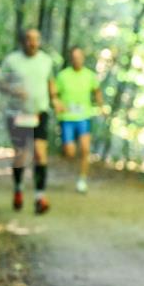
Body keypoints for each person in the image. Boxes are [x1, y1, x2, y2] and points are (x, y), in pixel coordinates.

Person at [0, 28, 57, 214]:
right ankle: (18, 189)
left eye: (36, 39)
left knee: (40, 153)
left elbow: (50, 83)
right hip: (16, 113)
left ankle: (40, 197)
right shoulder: (11, 60)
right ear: (23, 41)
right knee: (21, 155)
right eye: (29, 39)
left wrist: (55, 99)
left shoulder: (47, 60)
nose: (33, 43)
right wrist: (13, 91)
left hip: (39, 113)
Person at [55, 47, 104, 193]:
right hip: (67, 118)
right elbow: (55, 94)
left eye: (79, 57)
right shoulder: (63, 75)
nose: (77, 59)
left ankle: (82, 180)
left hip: (84, 117)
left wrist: (101, 105)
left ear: (83, 58)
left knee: (85, 149)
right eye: (74, 57)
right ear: (71, 59)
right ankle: (67, 151)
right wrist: (57, 104)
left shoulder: (90, 75)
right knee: (70, 152)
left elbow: (97, 91)